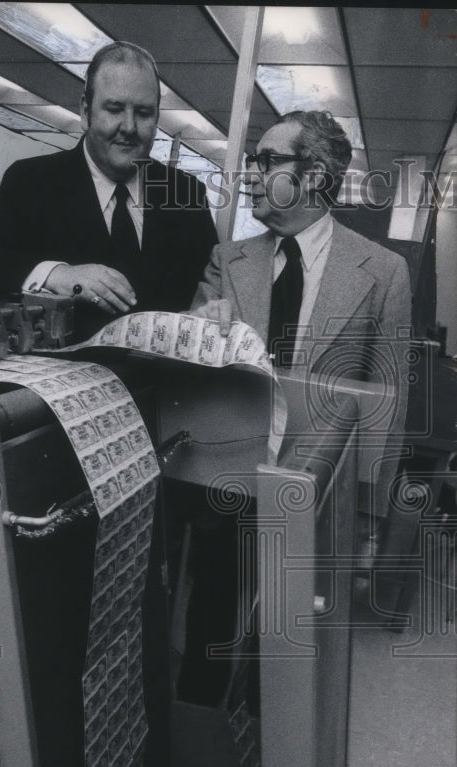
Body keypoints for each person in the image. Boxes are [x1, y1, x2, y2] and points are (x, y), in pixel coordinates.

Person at [178, 110, 413, 707]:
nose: (252, 176)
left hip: (316, 497)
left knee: (288, 662)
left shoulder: (383, 272)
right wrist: (198, 334)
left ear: (313, 177)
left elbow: (387, 405)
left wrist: (366, 519)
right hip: (225, 487)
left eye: (268, 161)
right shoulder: (227, 261)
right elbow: (187, 366)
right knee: (210, 633)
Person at [0, 41, 217, 341]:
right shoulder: (32, 180)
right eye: (114, 109)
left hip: (163, 384)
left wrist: (210, 311)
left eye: (143, 113)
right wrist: (58, 275)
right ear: (85, 111)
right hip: (63, 380)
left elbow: (211, 291)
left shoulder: (184, 194)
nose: (129, 127)